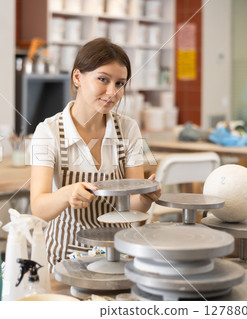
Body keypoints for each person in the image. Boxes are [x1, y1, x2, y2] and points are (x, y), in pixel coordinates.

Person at [29, 38, 161, 270]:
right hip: (65, 257)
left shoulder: (127, 129)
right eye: (103, 79)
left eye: (120, 83)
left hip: (118, 253)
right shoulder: (48, 132)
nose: (112, 92)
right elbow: (39, 207)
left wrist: (144, 198)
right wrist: (66, 194)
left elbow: (131, 208)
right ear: (78, 77)